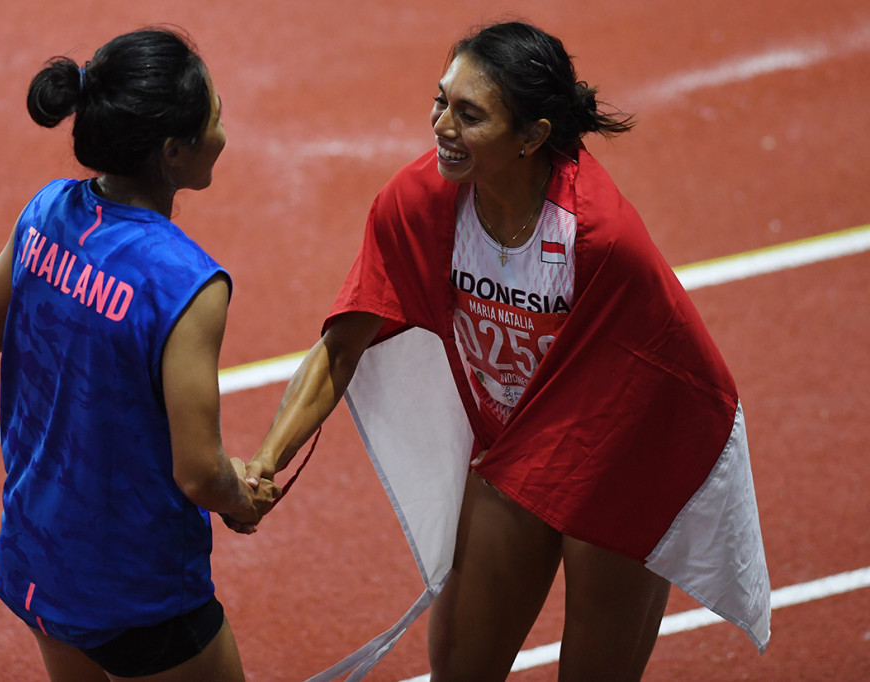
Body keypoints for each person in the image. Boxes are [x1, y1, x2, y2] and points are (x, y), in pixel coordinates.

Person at [247, 21, 769, 682]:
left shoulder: (601, 240)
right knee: (461, 667)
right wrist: (267, 462)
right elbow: (340, 347)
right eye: (441, 102)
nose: (441, 126)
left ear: (531, 137)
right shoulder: (417, 205)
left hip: (617, 460)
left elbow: (670, 381)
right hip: (516, 448)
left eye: (470, 115)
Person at [0, 28, 278, 682]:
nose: (223, 131)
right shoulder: (185, 282)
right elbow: (199, 474)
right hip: (137, 589)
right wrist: (239, 497)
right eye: (215, 117)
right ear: (173, 153)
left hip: (38, 557)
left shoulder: (46, 210)